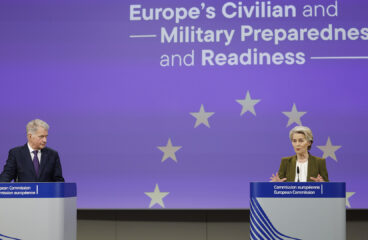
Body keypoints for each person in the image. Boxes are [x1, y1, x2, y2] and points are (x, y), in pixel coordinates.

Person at [0, 119, 64, 182]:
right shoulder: (16, 154)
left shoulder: (52, 155)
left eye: (46, 136)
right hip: (25, 192)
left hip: (45, 192)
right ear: (30, 136)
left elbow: (59, 181)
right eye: (41, 136)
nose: (45, 140)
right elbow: (6, 176)